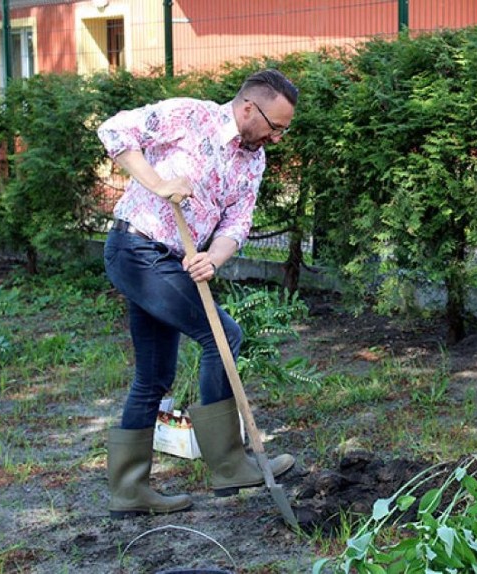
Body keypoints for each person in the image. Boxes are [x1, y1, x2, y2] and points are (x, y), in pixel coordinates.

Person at [98, 69, 299, 519]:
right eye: (274, 126)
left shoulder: (253, 160)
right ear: (249, 108)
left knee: (154, 375)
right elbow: (113, 129)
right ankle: (229, 464)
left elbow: (236, 225)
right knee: (222, 335)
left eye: (283, 130)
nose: (277, 137)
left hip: (174, 260)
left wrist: (214, 259)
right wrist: (158, 183)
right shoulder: (190, 116)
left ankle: (128, 490)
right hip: (135, 248)